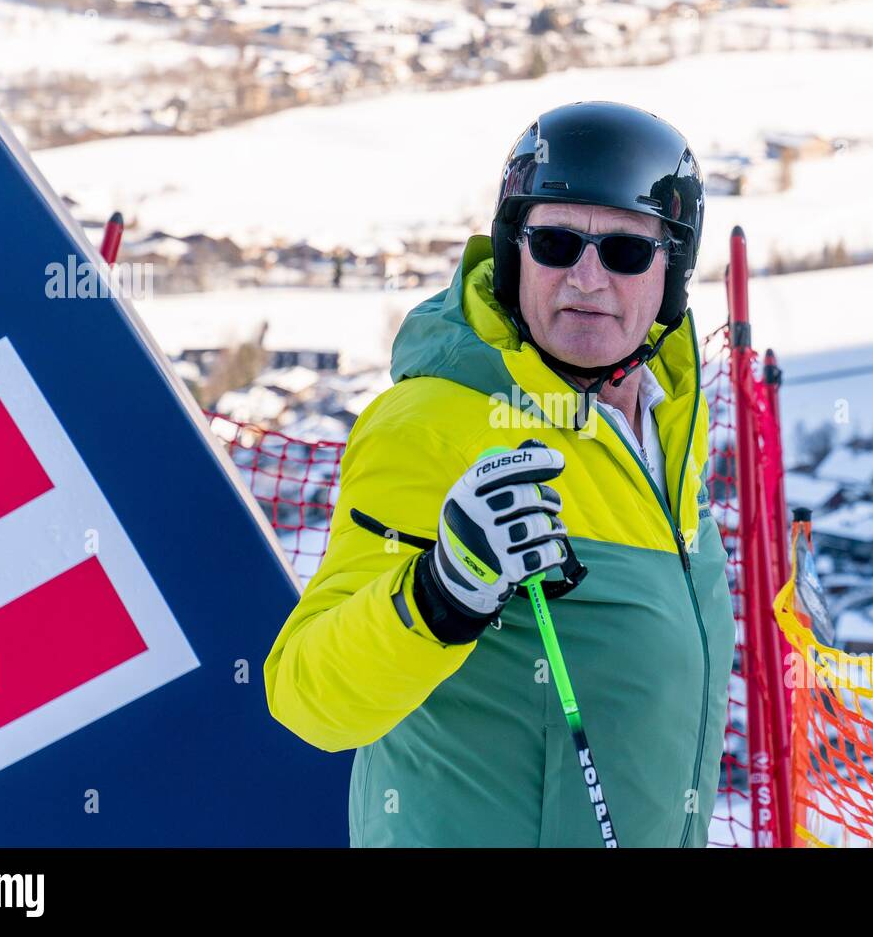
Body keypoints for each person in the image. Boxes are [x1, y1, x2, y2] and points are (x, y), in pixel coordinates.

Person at [263, 100, 734, 847]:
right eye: (553, 243)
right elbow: (309, 698)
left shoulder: (667, 429)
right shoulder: (432, 424)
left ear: (670, 270)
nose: (585, 277)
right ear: (515, 253)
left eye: (624, 253)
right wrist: (441, 593)